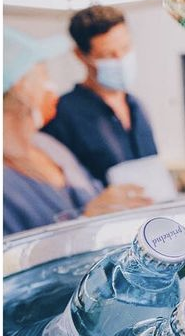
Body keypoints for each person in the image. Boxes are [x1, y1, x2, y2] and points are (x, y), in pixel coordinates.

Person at [42, 5, 185, 196]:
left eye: (125, 48)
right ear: (81, 55)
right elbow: (62, 196)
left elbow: (148, 187)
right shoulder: (62, 116)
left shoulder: (136, 106)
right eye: (108, 54)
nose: (121, 59)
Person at [3, 26, 153, 235]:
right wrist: (85, 221)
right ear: (21, 87)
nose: (50, 85)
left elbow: (97, 198)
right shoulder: (8, 182)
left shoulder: (48, 146)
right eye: (43, 74)